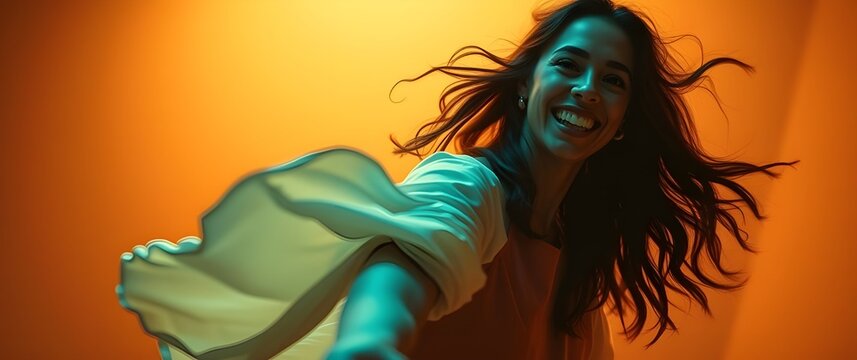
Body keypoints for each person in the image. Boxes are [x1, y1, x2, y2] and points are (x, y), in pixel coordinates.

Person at [117, 0, 798, 359]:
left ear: (622, 118)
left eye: (613, 80)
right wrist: (370, 342)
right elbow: (402, 267)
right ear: (529, 83)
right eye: (569, 65)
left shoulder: (575, 268)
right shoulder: (467, 189)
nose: (588, 89)